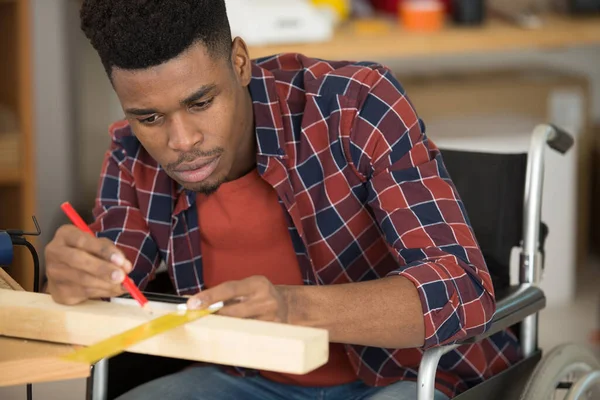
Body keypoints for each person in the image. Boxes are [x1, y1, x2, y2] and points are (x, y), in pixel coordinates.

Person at [43, 1, 521, 399]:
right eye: (149, 117)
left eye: (201, 103)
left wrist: (292, 309)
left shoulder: (355, 106)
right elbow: (110, 270)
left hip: (399, 377)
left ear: (239, 62)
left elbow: (461, 290)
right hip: (246, 381)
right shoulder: (131, 153)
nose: (182, 140)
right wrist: (76, 278)